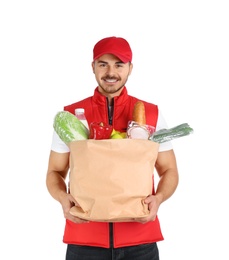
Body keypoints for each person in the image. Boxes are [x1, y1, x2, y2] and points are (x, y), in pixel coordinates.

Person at [46, 36, 179, 260]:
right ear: (93, 67)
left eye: (119, 64)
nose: (111, 72)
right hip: (84, 239)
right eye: (103, 64)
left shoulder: (151, 114)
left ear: (130, 68)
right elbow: (54, 172)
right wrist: (62, 198)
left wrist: (159, 199)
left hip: (140, 239)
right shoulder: (70, 116)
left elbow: (170, 170)